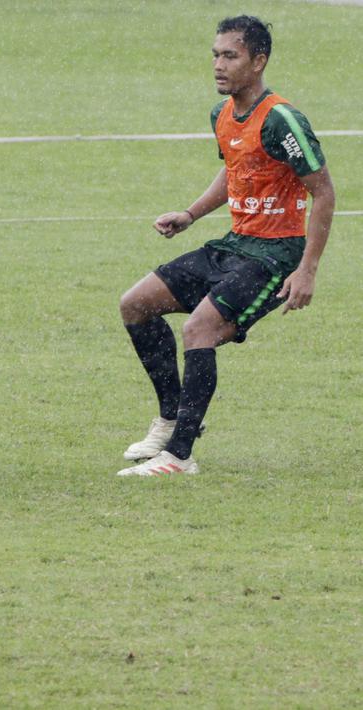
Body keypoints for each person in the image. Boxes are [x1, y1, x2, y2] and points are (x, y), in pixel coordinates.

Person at [117, 16, 335, 476]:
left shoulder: (282, 119)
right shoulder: (221, 115)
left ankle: (178, 456)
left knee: (200, 331)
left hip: (275, 255)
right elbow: (236, 169)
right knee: (136, 304)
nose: (218, 64)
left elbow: (324, 192)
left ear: (259, 61)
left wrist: (308, 270)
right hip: (233, 244)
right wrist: (191, 213)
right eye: (216, 54)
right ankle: (172, 417)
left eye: (230, 55)